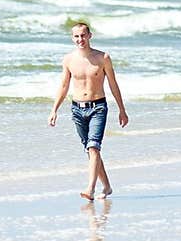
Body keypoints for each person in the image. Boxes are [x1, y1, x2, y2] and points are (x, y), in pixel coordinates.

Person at [48, 22, 129, 200]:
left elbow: (113, 85)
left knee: (93, 147)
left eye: (83, 35)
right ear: (72, 38)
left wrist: (122, 110)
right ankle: (106, 187)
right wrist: (54, 110)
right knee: (91, 150)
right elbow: (63, 86)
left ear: (90, 36)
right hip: (77, 109)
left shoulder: (103, 58)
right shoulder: (68, 60)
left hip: (98, 107)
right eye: (76, 36)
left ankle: (90, 189)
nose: (80, 39)